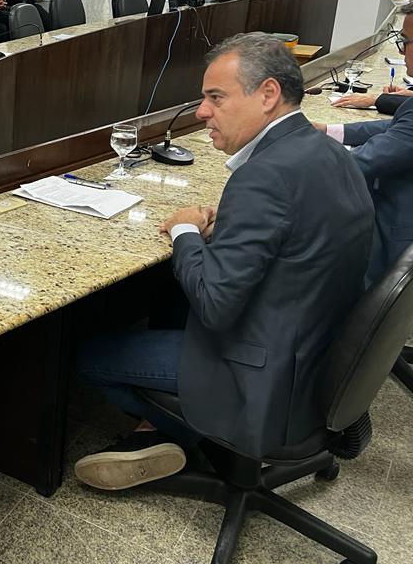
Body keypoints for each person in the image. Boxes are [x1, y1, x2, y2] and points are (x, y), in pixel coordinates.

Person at [73, 32, 373, 491]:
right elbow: (299, 241)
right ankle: (160, 433)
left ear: (268, 94)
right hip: (316, 358)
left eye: (216, 97)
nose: (201, 112)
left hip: (262, 377)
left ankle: (178, 429)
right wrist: (229, 231)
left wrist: (185, 230)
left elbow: (215, 305)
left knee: (86, 354)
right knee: (170, 303)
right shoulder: (327, 151)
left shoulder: (264, 177)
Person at [315, 2, 413, 285]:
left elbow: (357, 166)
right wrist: (328, 130)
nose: (401, 50)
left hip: (394, 246)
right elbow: (396, 128)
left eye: (404, 42)